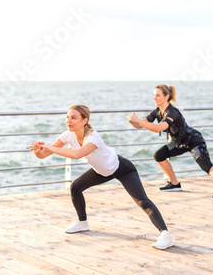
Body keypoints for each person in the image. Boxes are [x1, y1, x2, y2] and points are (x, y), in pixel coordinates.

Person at [30, 104, 174, 249]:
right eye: (67, 117)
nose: (69, 121)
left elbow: (77, 154)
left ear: (84, 120)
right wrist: (38, 150)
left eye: (74, 118)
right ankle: (82, 222)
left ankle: (165, 235)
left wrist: (50, 147)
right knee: (75, 187)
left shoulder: (93, 137)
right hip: (102, 171)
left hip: (122, 169)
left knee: (143, 202)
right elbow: (43, 155)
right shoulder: (68, 135)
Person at [127, 84, 213, 201]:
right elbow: (141, 125)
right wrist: (132, 121)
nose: (154, 98)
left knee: (205, 164)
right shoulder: (157, 111)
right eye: (154, 95)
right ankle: (174, 184)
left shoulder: (173, 112)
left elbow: (159, 128)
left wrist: (138, 121)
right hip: (179, 142)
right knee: (159, 156)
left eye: (157, 95)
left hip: (193, 140)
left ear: (166, 97)